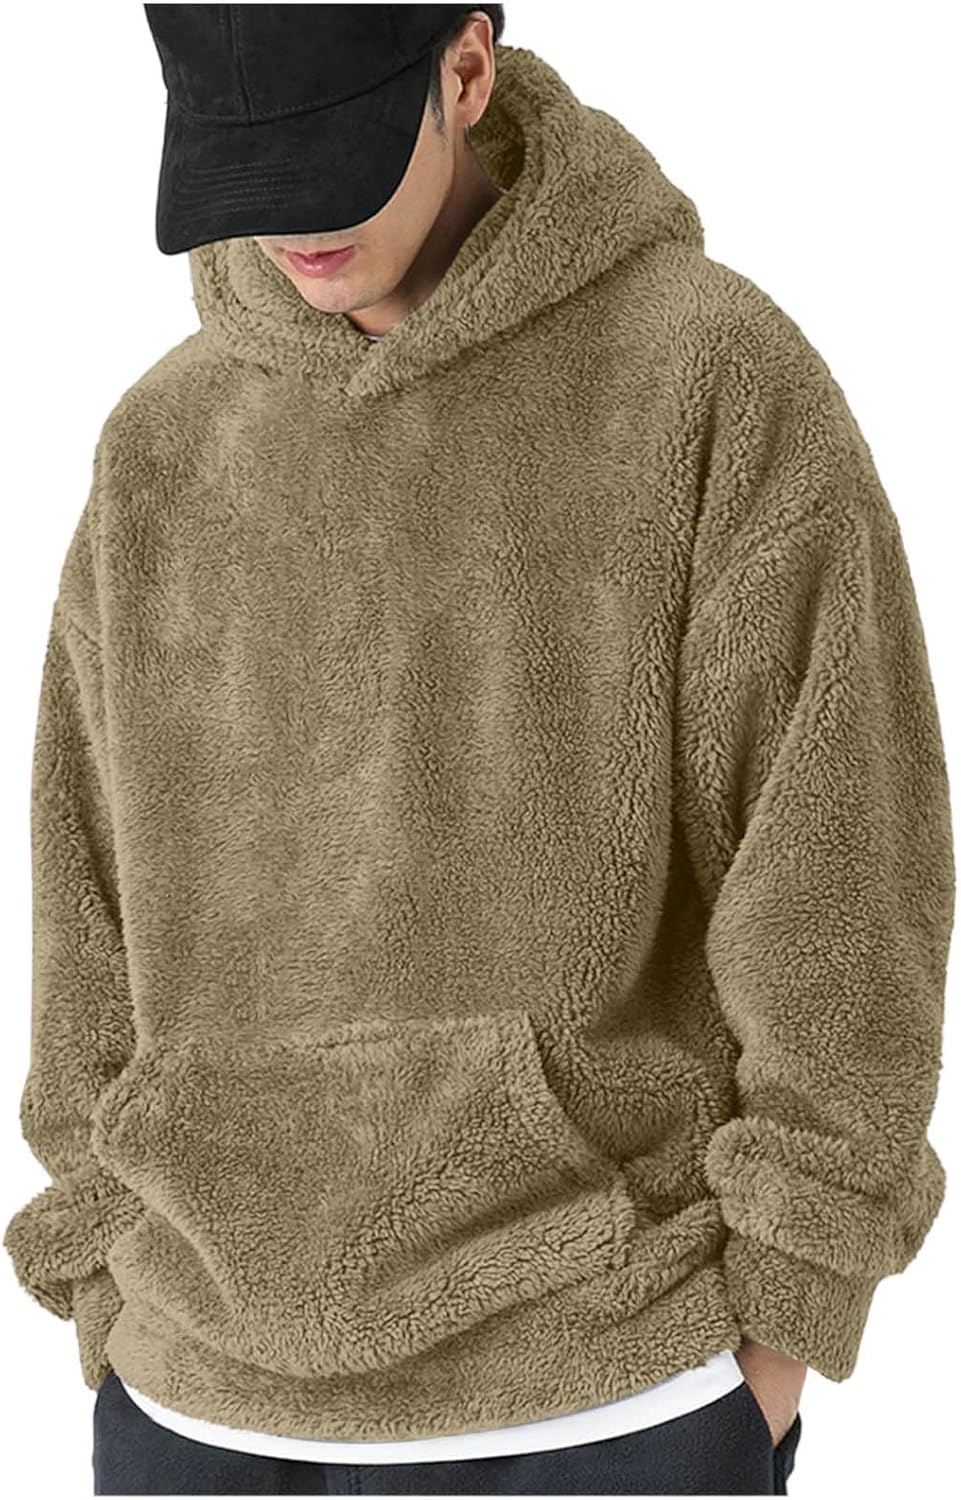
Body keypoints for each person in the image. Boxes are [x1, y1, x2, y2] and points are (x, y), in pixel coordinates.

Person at [3, 4, 952, 1495]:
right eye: (247, 174)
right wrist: (99, 1281)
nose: (292, 224)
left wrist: (782, 1326)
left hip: (605, 1394)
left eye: (328, 159)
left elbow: (842, 874)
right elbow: (85, 891)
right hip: (193, 1404)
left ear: (463, 69)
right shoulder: (163, 446)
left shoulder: (704, 376)